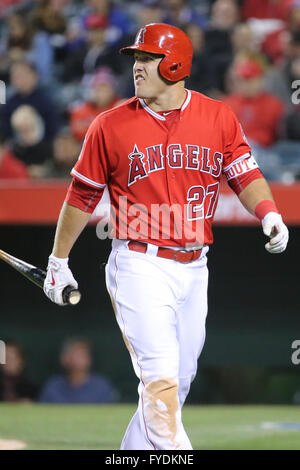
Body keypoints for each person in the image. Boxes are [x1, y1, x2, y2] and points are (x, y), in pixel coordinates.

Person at [43, 23, 289, 450]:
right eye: (136, 59)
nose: (137, 67)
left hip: (195, 268)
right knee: (160, 381)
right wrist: (58, 261)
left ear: (175, 63)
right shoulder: (109, 125)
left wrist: (268, 213)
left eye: (146, 58)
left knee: (176, 387)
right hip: (140, 262)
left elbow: (245, 175)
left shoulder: (217, 116)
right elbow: (81, 195)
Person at [39, 338, 117, 403]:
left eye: (85, 354)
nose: (82, 358)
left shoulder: (101, 386)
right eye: (77, 354)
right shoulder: (53, 386)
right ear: (64, 358)